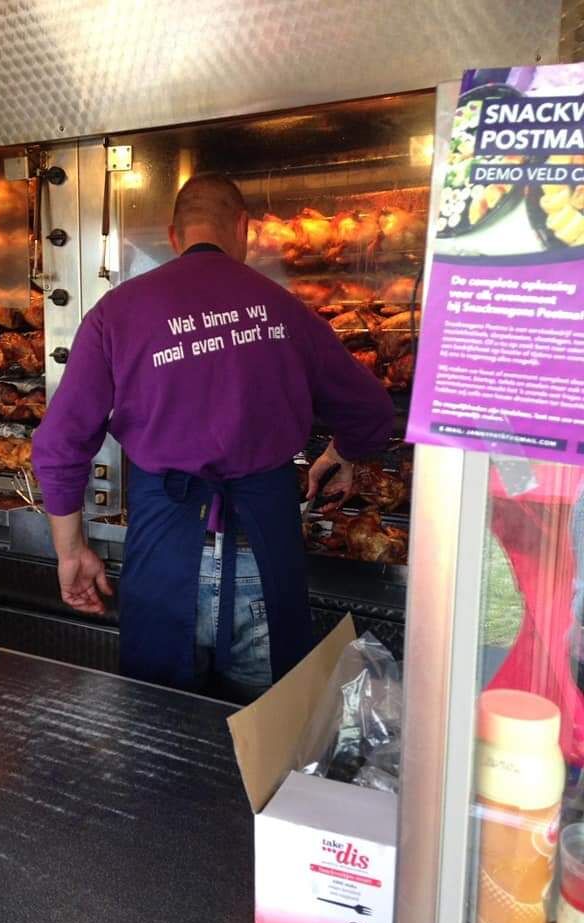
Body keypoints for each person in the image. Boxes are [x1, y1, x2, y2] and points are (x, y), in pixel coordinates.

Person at [32, 173, 394, 701]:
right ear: (243, 228)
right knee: (263, 731)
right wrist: (341, 452)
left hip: (164, 558)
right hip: (263, 558)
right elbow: (372, 411)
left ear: (173, 235)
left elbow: (60, 443)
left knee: (161, 730)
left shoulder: (117, 313)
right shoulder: (285, 309)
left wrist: (71, 551)